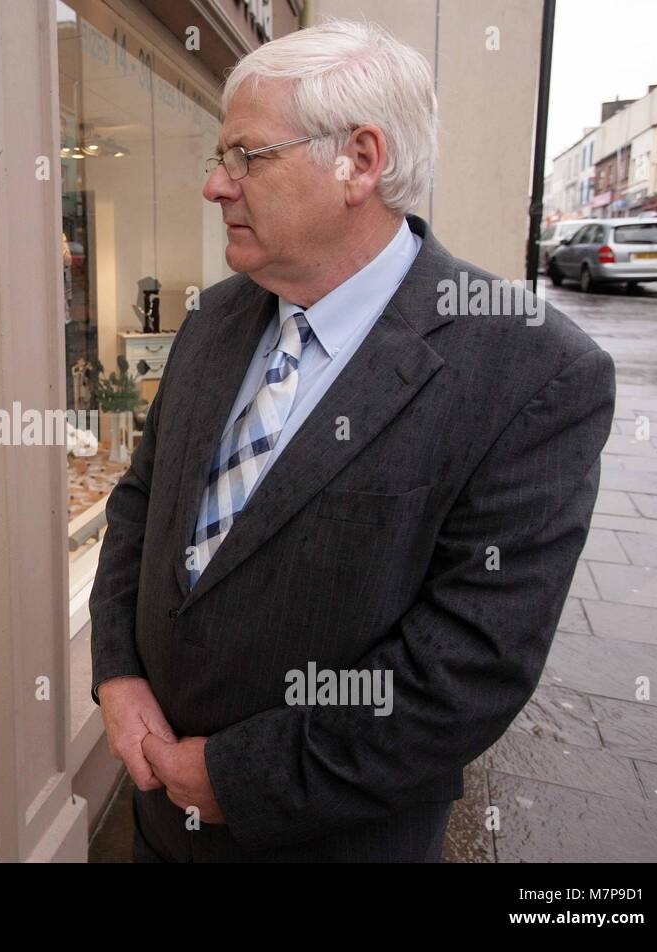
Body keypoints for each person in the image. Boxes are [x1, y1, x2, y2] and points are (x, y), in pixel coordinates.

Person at [89, 19, 615, 862]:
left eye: (246, 157)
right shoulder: (215, 316)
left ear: (359, 162)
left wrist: (238, 779)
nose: (215, 187)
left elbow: (469, 666)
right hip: (156, 824)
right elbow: (141, 505)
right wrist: (117, 675)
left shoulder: (533, 372)